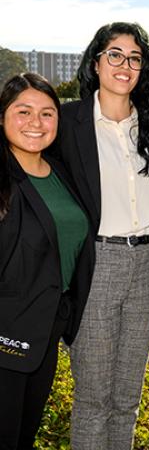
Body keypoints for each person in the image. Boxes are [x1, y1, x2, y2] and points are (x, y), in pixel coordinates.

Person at [58, 22, 149, 450]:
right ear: (96, 61)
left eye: (135, 57)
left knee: (127, 399)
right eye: (115, 54)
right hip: (97, 264)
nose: (125, 65)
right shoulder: (68, 121)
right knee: (93, 400)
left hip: (148, 266)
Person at [0, 73, 94, 449]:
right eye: (23, 111)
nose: (36, 123)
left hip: (46, 329)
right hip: (6, 332)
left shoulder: (60, 172)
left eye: (47, 113)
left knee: (24, 435)